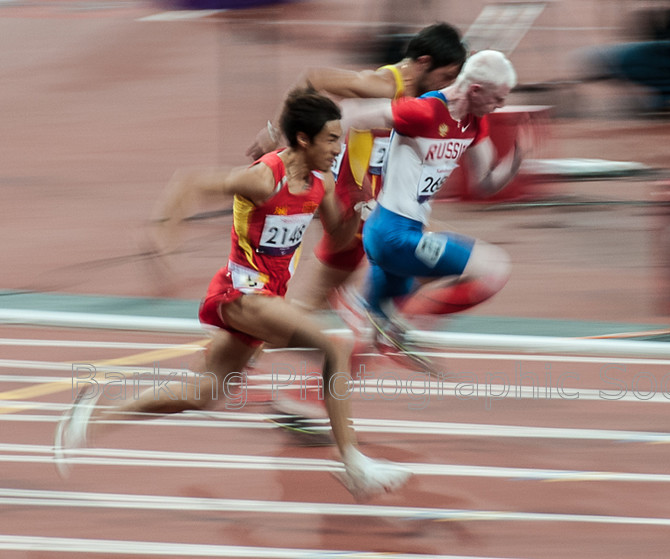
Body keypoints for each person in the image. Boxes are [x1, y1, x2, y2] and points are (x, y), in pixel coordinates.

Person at [53, 89, 411, 501]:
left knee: (203, 393)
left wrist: (364, 209)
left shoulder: (322, 185)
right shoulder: (264, 177)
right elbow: (190, 181)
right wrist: (164, 231)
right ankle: (353, 464)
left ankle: (93, 413)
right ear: (303, 140)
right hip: (240, 294)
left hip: (268, 298)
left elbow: (339, 234)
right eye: (331, 139)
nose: (339, 147)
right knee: (334, 349)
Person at [246, 22, 467, 313]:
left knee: (320, 299)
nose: (447, 85)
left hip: (375, 198)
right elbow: (313, 78)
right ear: (424, 62)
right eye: (446, 76)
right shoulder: (385, 85)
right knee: (446, 256)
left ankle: (366, 312)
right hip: (355, 201)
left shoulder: (428, 96)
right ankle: (371, 313)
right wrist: (277, 132)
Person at [336, 50, 526, 364]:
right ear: (475, 90)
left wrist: (516, 160)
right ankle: (399, 327)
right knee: (492, 267)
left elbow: (485, 184)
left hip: (405, 236)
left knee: (366, 347)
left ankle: (301, 401)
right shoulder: (423, 111)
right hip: (392, 234)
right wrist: (329, 166)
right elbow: (354, 113)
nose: (501, 106)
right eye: (498, 99)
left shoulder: (474, 124)